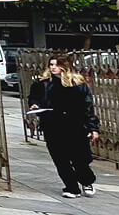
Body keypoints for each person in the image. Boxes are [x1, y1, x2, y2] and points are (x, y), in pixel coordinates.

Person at [27, 56, 100, 199]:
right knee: (60, 159)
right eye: (51, 64)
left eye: (56, 64)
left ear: (64, 66)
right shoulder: (43, 83)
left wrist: (93, 128)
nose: (53, 67)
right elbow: (33, 97)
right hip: (52, 125)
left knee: (79, 159)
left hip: (75, 125)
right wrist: (35, 105)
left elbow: (88, 107)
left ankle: (86, 181)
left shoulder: (77, 84)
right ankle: (72, 187)